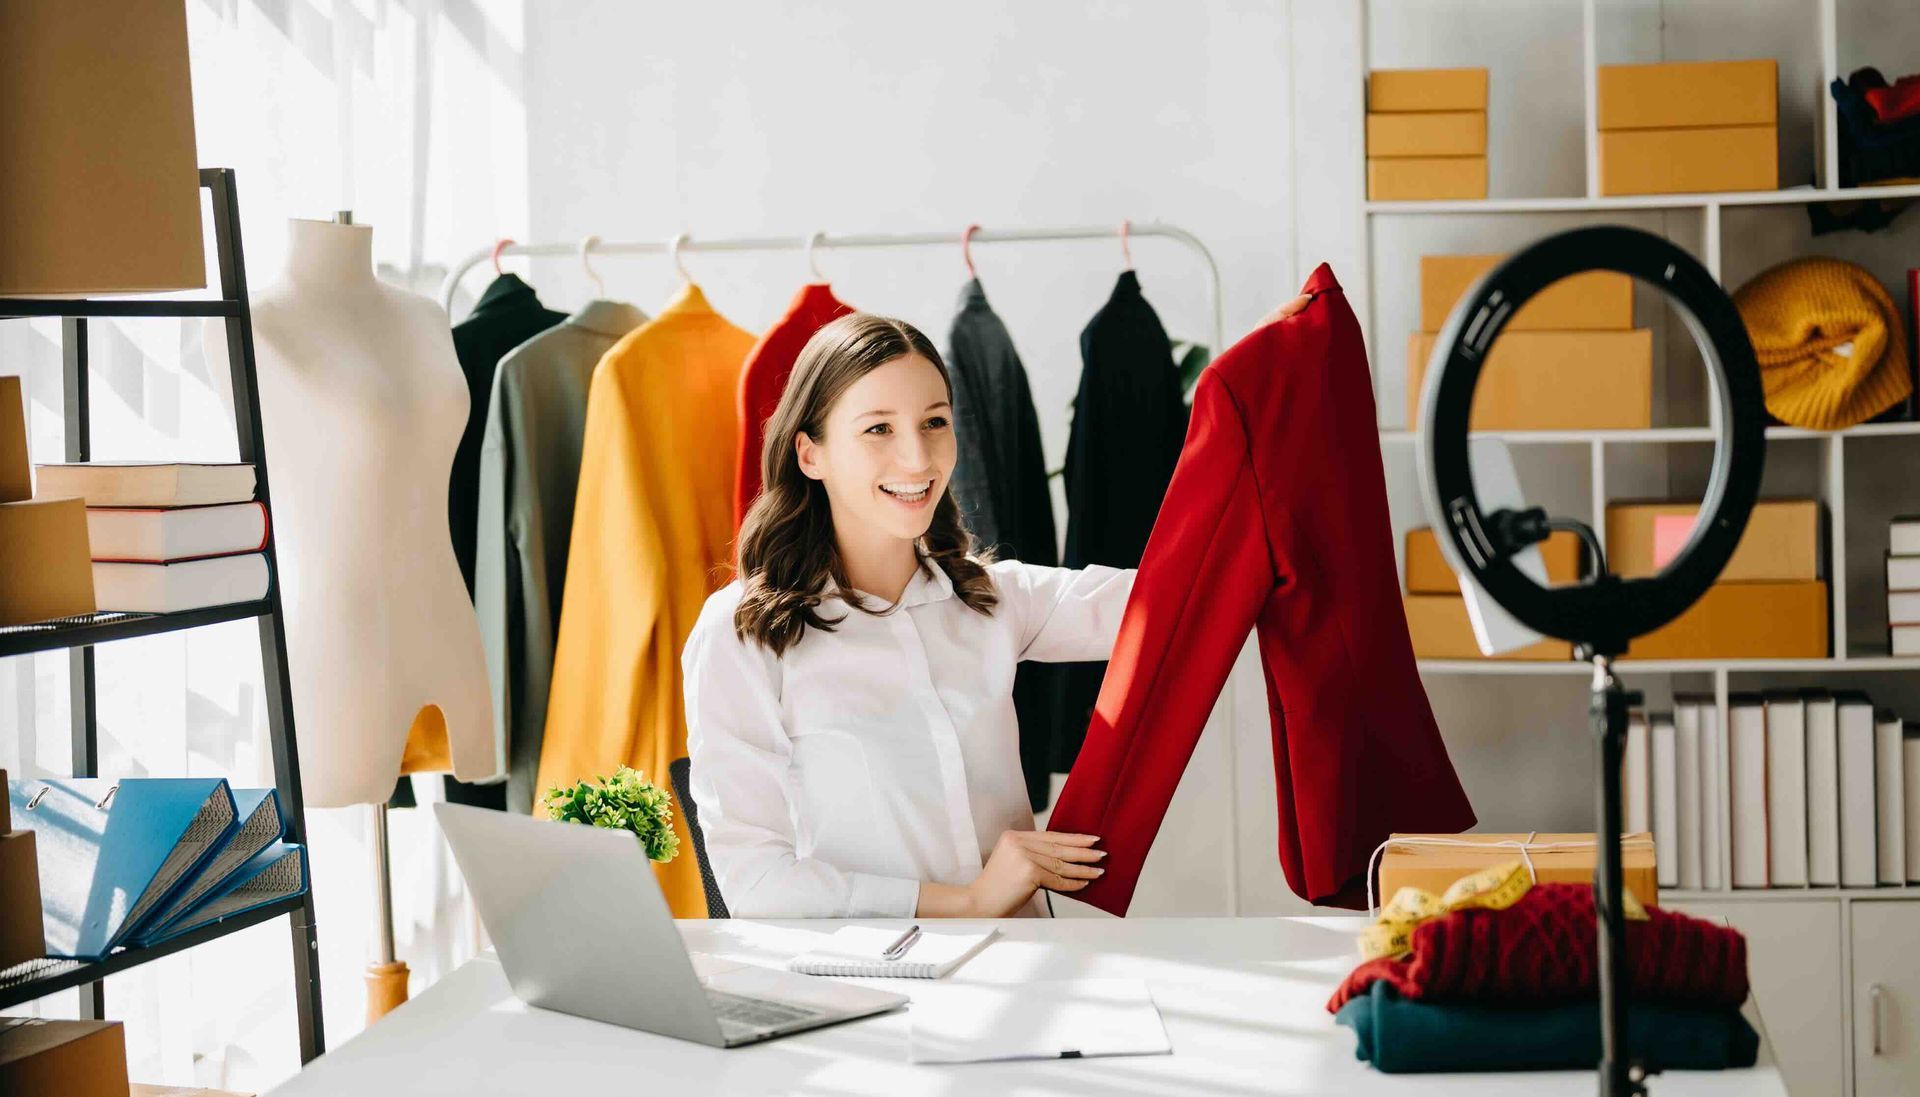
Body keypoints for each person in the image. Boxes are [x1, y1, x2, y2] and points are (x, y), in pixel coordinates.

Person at [682, 311, 1131, 918]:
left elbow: (1186, 598)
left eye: (935, 422)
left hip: (1025, 965)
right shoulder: (744, 635)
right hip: (870, 987)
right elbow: (756, 883)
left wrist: (1257, 372)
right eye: (878, 429)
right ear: (811, 455)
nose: (918, 458)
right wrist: (968, 902)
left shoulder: (992, 599)